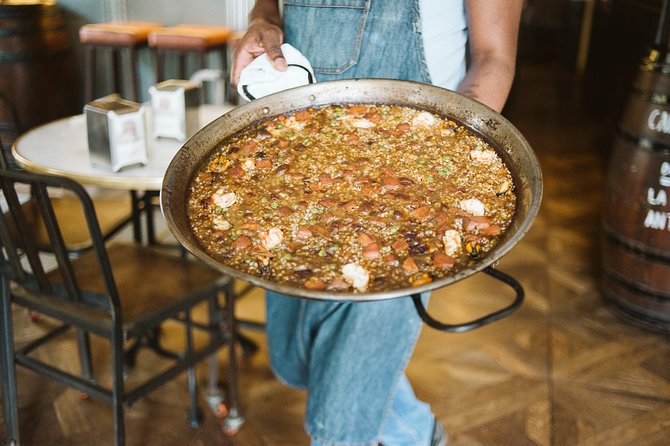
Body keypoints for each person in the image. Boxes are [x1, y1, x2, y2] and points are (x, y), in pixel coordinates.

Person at [230, 1, 523, 445]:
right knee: (295, 361)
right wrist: (263, 19)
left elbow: (493, 56)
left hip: (407, 187)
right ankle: (419, 434)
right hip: (300, 171)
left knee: (340, 418)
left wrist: (442, 156)